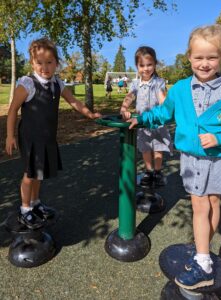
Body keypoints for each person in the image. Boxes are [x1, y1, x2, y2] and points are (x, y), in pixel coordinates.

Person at [128, 25, 221, 289]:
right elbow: (163, 113)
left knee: (213, 205)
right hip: (192, 161)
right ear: (189, 57)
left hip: (217, 160)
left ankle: (202, 258)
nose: (205, 64)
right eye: (199, 57)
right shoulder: (180, 90)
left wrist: (220, 137)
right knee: (201, 207)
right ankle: (204, 255)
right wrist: (141, 118)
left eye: (212, 57)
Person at [5, 38, 101, 230]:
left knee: (39, 173)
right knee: (29, 174)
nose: (44, 67)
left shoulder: (57, 83)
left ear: (57, 63)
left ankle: (35, 203)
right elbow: (13, 109)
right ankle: (25, 210)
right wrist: (10, 136)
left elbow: (73, 101)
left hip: (47, 137)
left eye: (49, 62)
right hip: (30, 138)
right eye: (39, 63)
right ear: (32, 63)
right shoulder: (27, 84)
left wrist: (89, 113)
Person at [120, 46, 173, 187]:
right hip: (142, 123)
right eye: (142, 65)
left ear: (155, 64)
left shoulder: (158, 82)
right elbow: (129, 97)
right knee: (145, 148)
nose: (146, 68)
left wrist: (165, 106)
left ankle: (157, 171)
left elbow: (162, 98)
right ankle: (149, 171)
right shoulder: (136, 84)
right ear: (137, 66)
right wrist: (124, 108)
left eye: (149, 65)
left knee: (158, 147)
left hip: (156, 122)